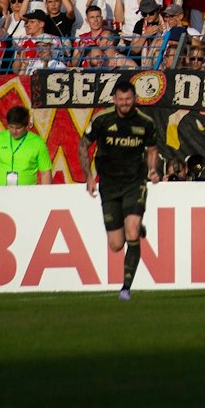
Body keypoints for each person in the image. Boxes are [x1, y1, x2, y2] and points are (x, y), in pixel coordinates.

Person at [80, 76, 160, 301]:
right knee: (116, 245)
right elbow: (83, 145)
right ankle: (134, 227)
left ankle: (125, 288)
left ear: (135, 98)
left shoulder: (146, 122)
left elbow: (152, 149)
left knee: (131, 231)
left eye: (128, 99)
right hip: (109, 184)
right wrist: (89, 176)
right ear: (114, 99)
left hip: (135, 182)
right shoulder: (102, 120)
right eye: (121, 99)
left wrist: (152, 169)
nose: (125, 103)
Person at [0, 105, 53, 186]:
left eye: (18, 128)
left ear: (26, 126)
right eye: (11, 127)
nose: (14, 131)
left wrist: (46, 195)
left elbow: (45, 172)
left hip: (26, 194)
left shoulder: (37, 143)